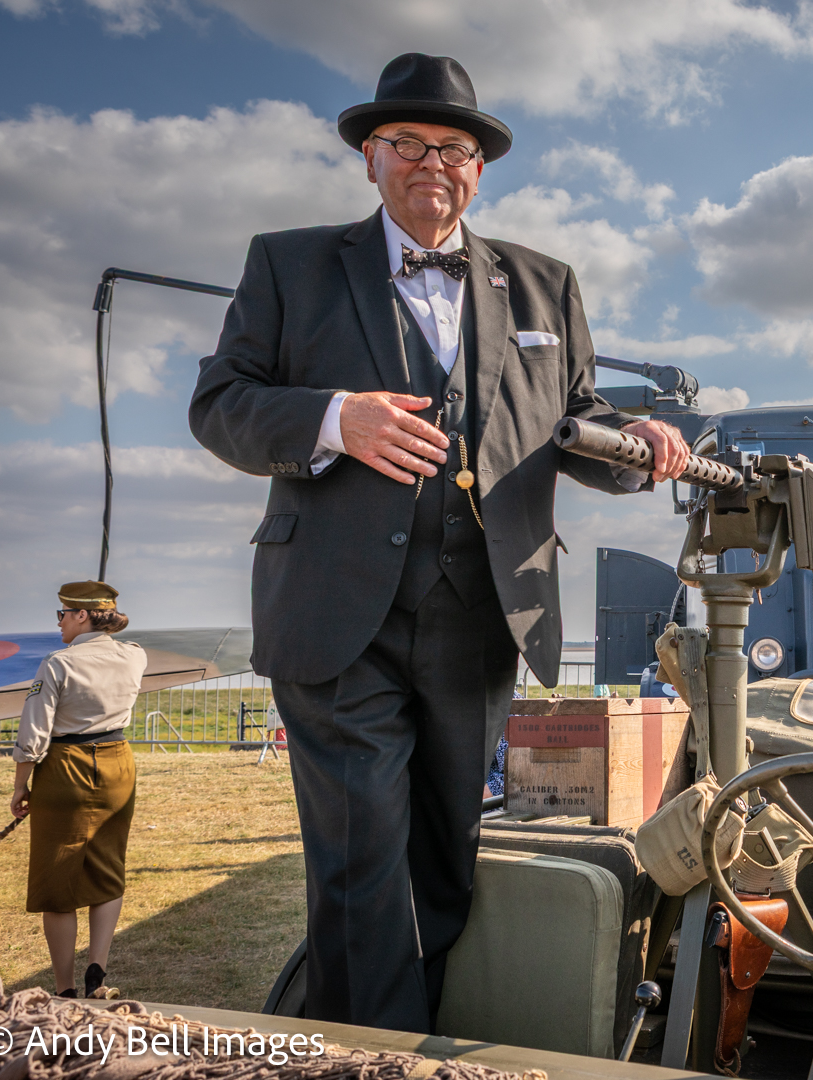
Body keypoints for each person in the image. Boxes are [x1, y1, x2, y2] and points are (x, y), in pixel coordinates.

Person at [189, 52, 687, 1033]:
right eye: (406, 144)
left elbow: (574, 422)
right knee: (361, 862)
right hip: (338, 621)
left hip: (483, 616)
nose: (432, 163)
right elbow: (220, 405)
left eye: (453, 147)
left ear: (480, 168)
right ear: (369, 159)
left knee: (449, 864)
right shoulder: (288, 265)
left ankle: (415, 1029)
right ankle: (379, 1054)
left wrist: (641, 451)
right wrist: (336, 420)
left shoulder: (546, 286)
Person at [9, 581, 147, 999]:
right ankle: (97, 973)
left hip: (64, 766)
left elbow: (34, 734)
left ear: (82, 615)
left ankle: (65, 989)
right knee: (107, 870)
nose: (59, 622)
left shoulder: (57, 663)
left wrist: (20, 787)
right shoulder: (135, 655)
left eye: (62, 614)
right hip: (118, 763)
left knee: (58, 881)